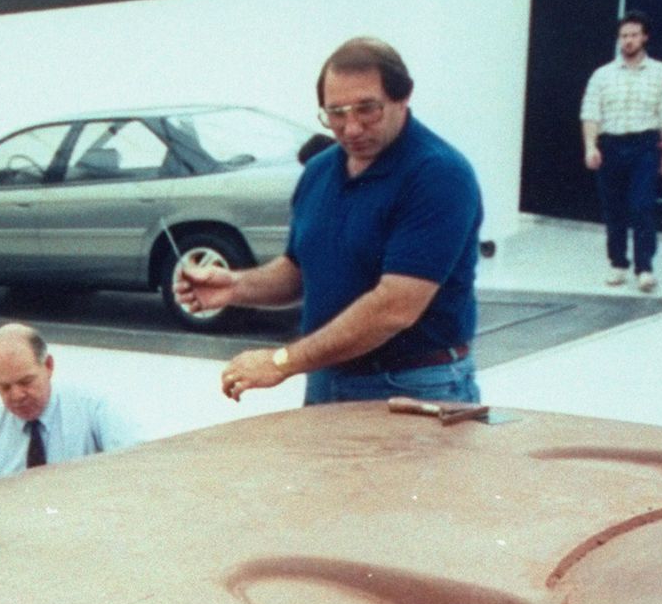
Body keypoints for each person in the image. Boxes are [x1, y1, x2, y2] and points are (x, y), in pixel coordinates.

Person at [177, 37, 483, 406]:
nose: (351, 128)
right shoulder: (320, 171)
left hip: (415, 386)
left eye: (366, 109)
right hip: (328, 378)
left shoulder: (437, 175)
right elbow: (298, 270)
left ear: (402, 98)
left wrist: (281, 361)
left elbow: (394, 308)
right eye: (335, 113)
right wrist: (235, 286)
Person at [0, 322, 137, 484]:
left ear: (49, 366)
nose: (17, 395)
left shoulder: (92, 408)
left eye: (26, 382)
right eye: (4, 387)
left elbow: (136, 467)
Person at [580, 10, 662, 292]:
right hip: (610, 146)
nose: (628, 41)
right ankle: (618, 263)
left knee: (642, 205)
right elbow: (590, 113)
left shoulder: (660, 71)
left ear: (644, 37)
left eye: (634, 35)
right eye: (624, 36)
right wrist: (590, 146)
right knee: (614, 209)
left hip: (644, 146)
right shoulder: (602, 75)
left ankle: (644, 268)